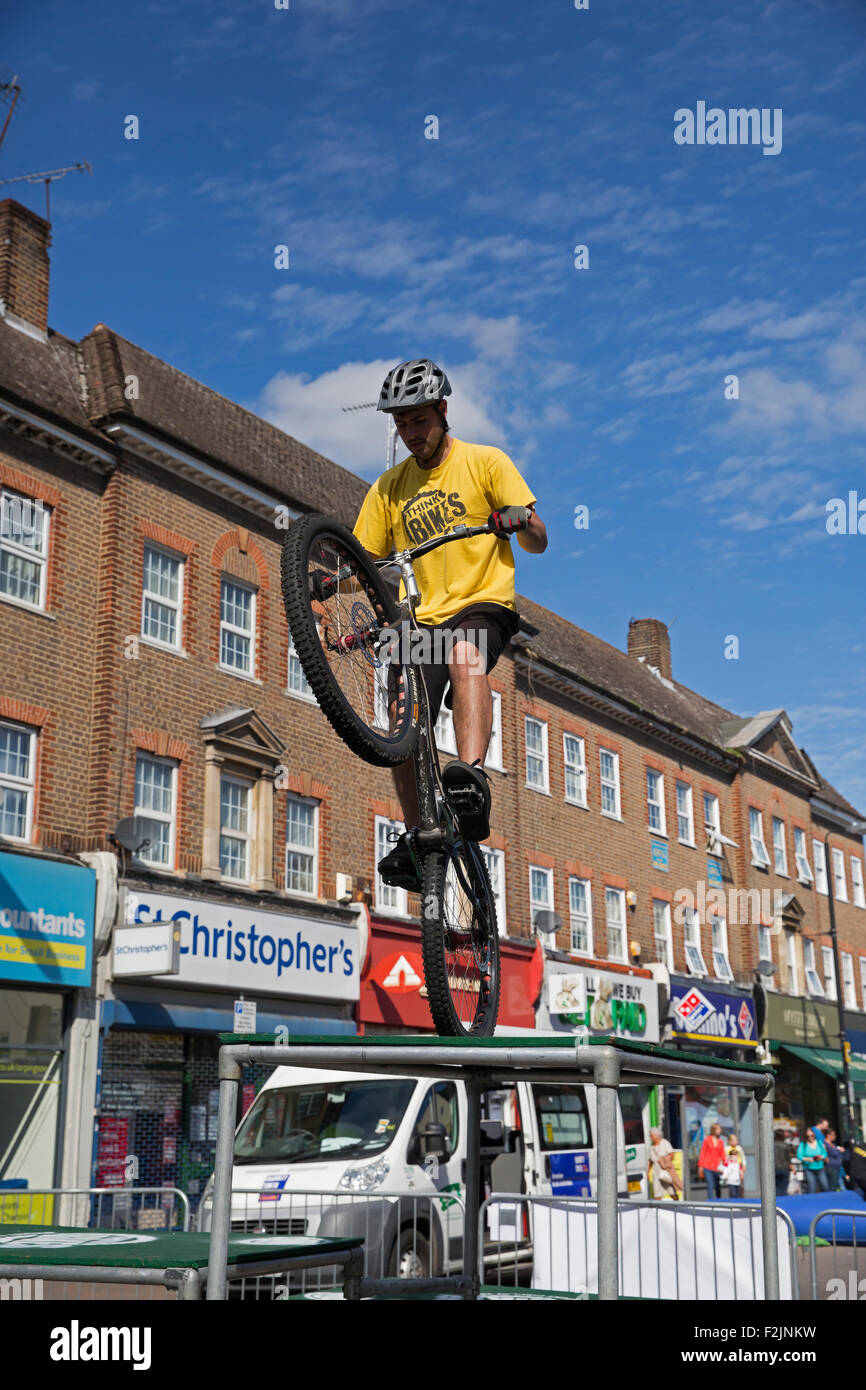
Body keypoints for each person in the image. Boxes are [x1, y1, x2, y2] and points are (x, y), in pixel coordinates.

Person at [353, 359, 547, 889]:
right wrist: (327, 581)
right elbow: (364, 563)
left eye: (419, 420)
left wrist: (520, 520)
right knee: (401, 719)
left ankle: (471, 780)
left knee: (466, 655)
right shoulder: (388, 488)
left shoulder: (485, 462)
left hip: (482, 601)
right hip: (418, 617)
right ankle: (419, 836)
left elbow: (539, 539)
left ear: (443, 411)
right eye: (401, 424)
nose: (411, 433)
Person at [649, 1127, 682, 1200]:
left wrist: (663, 1161)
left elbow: (671, 1155)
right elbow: (650, 1161)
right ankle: (657, 1210)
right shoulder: (651, 1147)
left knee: (672, 1192)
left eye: (651, 1136)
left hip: (665, 1171)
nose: (650, 1138)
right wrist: (648, 1172)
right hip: (656, 1172)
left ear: (657, 1135)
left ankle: (677, 1206)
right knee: (657, 1194)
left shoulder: (665, 1143)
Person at [697, 1121, 726, 1200]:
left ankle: (719, 1201)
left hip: (717, 1167)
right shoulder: (707, 1140)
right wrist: (700, 1166)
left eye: (720, 1129)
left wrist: (726, 1166)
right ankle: (710, 1202)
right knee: (710, 1184)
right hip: (707, 1166)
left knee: (717, 1185)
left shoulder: (721, 1142)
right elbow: (703, 1153)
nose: (720, 1130)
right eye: (718, 1129)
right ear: (714, 1130)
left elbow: (723, 1155)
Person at [796, 1127, 830, 1194]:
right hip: (808, 1168)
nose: (810, 1137)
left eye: (812, 1135)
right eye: (808, 1136)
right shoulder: (803, 1144)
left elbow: (825, 1153)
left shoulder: (819, 1143)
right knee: (812, 1187)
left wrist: (821, 1157)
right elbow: (799, 1155)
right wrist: (807, 1159)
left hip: (820, 1167)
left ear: (814, 1135)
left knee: (825, 1186)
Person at [721, 1133, 746, 1199]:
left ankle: (740, 1198)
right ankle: (733, 1199)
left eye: (736, 1140)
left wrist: (744, 1165)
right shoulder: (727, 1148)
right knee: (732, 1189)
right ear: (729, 1141)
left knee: (740, 1186)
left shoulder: (739, 1148)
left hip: (738, 1166)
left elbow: (743, 1157)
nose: (736, 1142)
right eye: (734, 1140)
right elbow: (725, 1159)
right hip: (731, 1168)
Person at [774, 1129, 793, 1197]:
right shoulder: (785, 1145)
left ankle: (777, 1203)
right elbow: (788, 1159)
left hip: (775, 1168)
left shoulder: (771, 1145)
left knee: (776, 1188)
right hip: (785, 1168)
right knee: (783, 1189)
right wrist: (792, 1168)